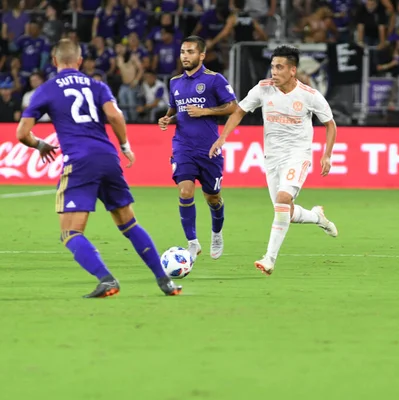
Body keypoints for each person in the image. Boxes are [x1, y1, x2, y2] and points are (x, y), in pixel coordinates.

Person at [15, 39, 182, 298]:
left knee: (70, 233)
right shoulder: (97, 85)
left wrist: (40, 145)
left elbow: (22, 133)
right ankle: (165, 281)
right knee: (129, 224)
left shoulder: (47, 89)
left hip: (80, 161)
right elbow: (115, 116)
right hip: (108, 157)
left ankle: (106, 279)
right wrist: (125, 146)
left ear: (55, 61)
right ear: (80, 61)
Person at [208, 45, 338, 276]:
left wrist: (326, 155)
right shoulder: (263, 89)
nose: (274, 72)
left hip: (298, 156)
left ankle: (269, 258)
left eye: (279, 67)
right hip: (272, 158)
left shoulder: (309, 96)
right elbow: (239, 111)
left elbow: (330, 124)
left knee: (282, 199)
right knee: (284, 210)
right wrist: (223, 138)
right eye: (272, 67)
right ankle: (317, 216)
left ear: (293, 70)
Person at [158, 36, 237, 262]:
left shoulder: (215, 80)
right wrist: (167, 119)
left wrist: (206, 111)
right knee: (185, 191)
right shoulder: (174, 82)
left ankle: (217, 233)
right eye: (183, 51)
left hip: (209, 148)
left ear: (201, 55)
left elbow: (233, 106)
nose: (185, 56)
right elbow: (175, 110)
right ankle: (192, 243)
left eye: (190, 52)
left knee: (213, 197)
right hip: (183, 146)